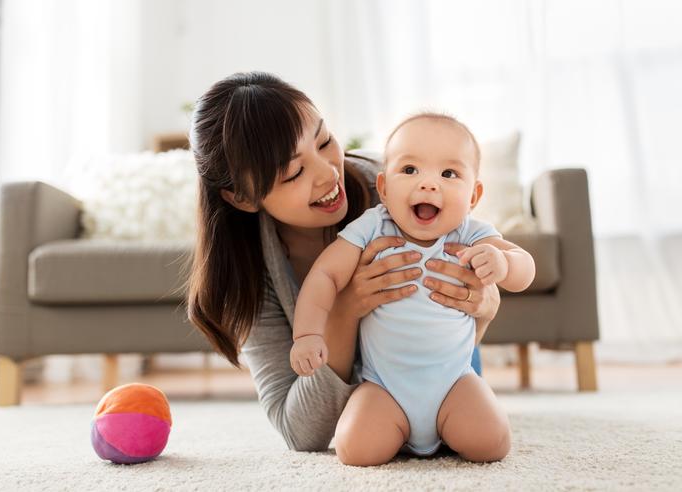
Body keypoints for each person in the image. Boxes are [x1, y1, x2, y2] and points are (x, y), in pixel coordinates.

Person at [186, 71, 503, 456]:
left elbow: (476, 285)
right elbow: (300, 432)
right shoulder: (249, 272)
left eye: (324, 141)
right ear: (242, 197)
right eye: (295, 172)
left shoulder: (398, 193)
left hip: (450, 375)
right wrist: (344, 311)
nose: (327, 173)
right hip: (375, 406)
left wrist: (485, 306)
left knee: (482, 434)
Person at [290, 113, 535, 465]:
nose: (429, 184)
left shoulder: (470, 233)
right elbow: (325, 276)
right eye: (410, 170)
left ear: (474, 195)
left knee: (491, 443)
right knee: (355, 450)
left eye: (449, 174)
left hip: (454, 382)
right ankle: (399, 429)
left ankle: (449, 425)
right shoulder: (373, 227)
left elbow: (524, 267)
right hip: (384, 388)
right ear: (385, 188)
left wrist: (504, 263)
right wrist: (308, 334)